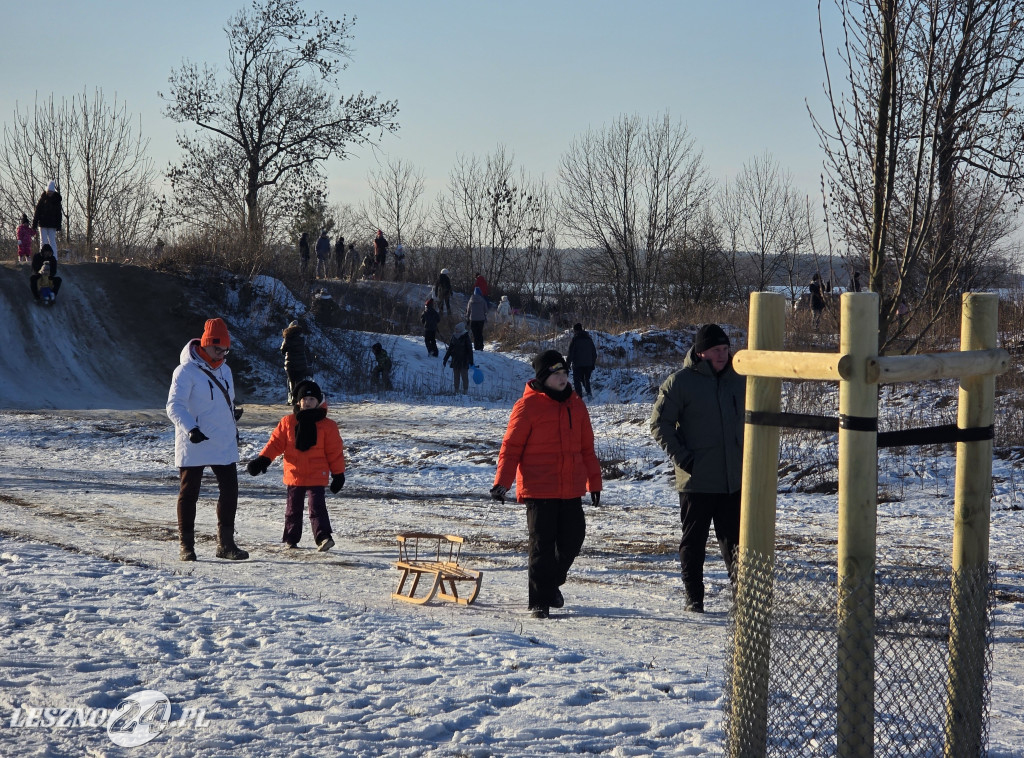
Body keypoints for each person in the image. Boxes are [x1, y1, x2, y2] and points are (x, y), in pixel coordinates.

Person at [490, 349, 602, 619]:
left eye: (565, 373)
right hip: (539, 488)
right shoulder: (527, 407)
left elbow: (587, 448)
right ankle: (539, 602)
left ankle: (550, 584)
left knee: (573, 538)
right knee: (542, 544)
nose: (563, 378)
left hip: (571, 488)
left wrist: (594, 482)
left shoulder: (576, 404)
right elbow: (511, 448)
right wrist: (502, 482)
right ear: (543, 377)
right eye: (556, 374)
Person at [649, 324, 745, 613]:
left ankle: (743, 596)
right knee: (694, 542)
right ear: (701, 352)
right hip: (697, 479)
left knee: (736, 544)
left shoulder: (740, 380)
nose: (723, 355)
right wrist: (684, 458)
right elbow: (659, 424)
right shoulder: (680, 382)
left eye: (726, 349)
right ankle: (694, 596)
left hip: (733, 479)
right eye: (717, 350)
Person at [166, 318, 249, 562]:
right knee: (189, 491)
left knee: (230, 489)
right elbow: (174, 406)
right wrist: (191, 428)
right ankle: (187, 546)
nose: (222, 354)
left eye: (225, 349)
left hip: (222, 439)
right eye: (217, 349)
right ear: (205, 345)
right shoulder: (185, 371)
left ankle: (226, 544)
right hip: (195, 440)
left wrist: (231, 415)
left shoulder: (225, 369)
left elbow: (228, 398)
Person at [246, 379, 345, 552]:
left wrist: (338, 474)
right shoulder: (287, 422)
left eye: (312, 400)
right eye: (304, 399)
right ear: (298, 401)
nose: (307, 402)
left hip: (317, 474)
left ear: (319, 401)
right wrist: (263, 460)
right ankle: (291, 539)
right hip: (294, 473)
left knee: (317, 508)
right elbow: (275, 444)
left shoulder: (328, 426)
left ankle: (323, 537)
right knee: (293, 509)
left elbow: (334, 452)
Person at [280, 320, 312, 404]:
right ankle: (298, 399)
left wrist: (284, 341)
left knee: (291, 382)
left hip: (290, 364)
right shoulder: (302, 339)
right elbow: (305, 350)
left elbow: (283, 351)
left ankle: (292, 399)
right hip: (301, 364)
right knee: (299, 382)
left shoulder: (287, 338)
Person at [566, 323, 598, 399]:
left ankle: (579, 396)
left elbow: (571, 353)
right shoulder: (589, 339)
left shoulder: (575, 339)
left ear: (575, 330)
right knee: (586, 379)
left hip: (577, 364)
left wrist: (567, 364)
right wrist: (592, 363)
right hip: (588, 364)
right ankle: (589, 394)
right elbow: (594, 353)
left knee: (577, 380)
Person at [442, 322, 474, 393]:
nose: (455, 330)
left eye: (457, 329)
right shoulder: (454, 337)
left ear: (461, 329)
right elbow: (450, 349)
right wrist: (445, 359)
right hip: (455, 360)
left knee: (464, 376)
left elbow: (470, 350)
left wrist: (471, 361)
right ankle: (456, 390)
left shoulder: (466, 337)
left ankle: (465, 390)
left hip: (464, 360)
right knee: (456, 377)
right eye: (455, 329)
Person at [32, 181, 62, 257]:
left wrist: (58, 225)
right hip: (42, 223)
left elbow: (59, 214)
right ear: (46, 191)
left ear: (53, 192)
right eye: (48, 192)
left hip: (52, 224)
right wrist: (34, 224)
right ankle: (42, 257)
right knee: (43, 241)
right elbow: (37, 212)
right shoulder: (42, 199)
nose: (50, 193)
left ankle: (54, 257)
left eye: (51, 192)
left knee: (52, 241)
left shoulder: (57, 200)